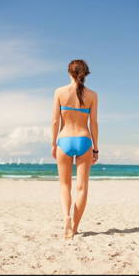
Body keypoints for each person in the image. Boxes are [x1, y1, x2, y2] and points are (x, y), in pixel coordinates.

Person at [51, 59, 99, 239]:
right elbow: (93, 122)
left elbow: (55, 121)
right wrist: (96, 148)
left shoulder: (59, 92)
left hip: (64, 139)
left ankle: (66, 217)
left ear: (69, 72)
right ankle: (76, 227)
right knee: (82, 187)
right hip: (84, 140)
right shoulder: (93, 95)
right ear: (85, 74)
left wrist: (53, 144)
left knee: (65, 185)